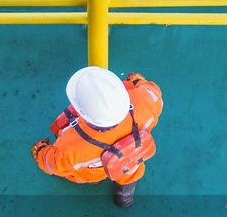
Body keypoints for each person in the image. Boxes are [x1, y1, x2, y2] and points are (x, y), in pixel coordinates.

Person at [31, 66, 163, 207]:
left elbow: (54, 164)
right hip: (133, 158)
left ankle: (98, 182)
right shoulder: (148, 99)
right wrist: (136, 81)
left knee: (81, 175)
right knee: (130, 174)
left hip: (96, 172)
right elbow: (153, 91)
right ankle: (124, 200)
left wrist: (41, 152)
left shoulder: (71, 146)